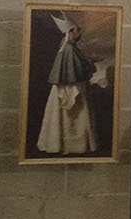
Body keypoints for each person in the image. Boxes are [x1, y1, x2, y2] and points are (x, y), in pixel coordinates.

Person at [37, 17, 100, 155]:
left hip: (67, 87)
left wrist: (87, 61)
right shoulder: (69, 48)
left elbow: (76, 65)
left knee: (63, 117)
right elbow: (80, 68)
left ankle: (62, 145)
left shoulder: (67, 46)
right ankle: (71, 146)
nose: (80, 33)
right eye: (77, 30)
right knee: (74, 117)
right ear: (70, 32)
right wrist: (91, 61)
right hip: (72, 88)